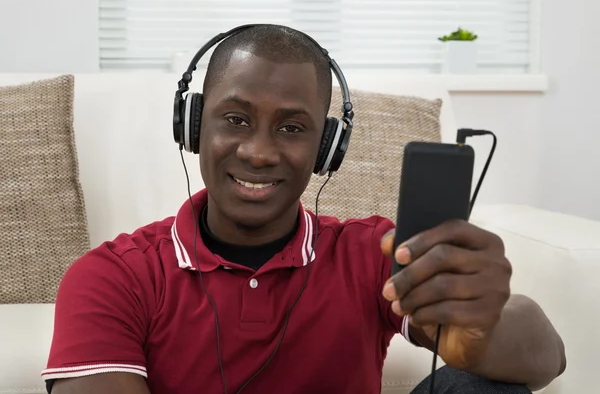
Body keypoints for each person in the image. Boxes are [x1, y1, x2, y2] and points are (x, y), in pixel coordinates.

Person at [43, 25, 566, 394]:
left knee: (472, 385)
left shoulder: (371, 251)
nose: (260, 152)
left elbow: (548, 356)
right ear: (194, 126)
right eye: (235, 119)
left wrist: (483, 325)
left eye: (292, 128)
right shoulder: (111, 277)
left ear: (325, 150)